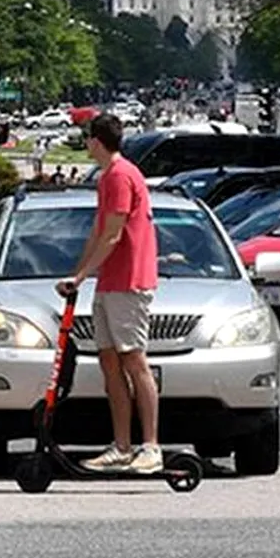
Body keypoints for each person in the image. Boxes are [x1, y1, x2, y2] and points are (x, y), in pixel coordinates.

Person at [56, 114, 161, 473]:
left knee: (134, 359)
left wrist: (83, 275)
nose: (85, 144)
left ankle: (150, 446)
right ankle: (121, 446)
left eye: (87, 139)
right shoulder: (107, 178)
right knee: (109, 361)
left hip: (129, 280)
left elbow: (115, 235)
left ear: (97, 141)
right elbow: (98, 234)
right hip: (109, 282)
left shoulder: (120, 175)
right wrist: (77, 274)